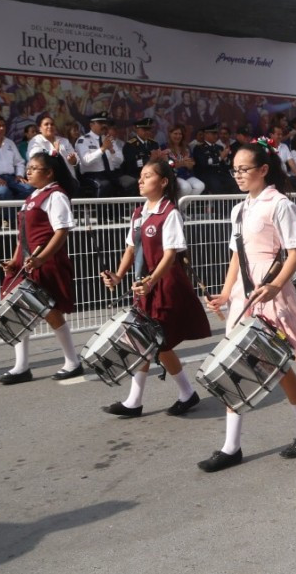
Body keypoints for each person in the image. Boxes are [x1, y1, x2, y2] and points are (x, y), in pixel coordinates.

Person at [199, 141, 296, 472]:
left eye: (244, 169)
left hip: (272, 297)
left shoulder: (279, 205)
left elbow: (295, 251)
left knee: (278, 368)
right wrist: (225, 295)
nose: (238, 175)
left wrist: (275, 286)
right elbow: (237, 255)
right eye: (235, 170)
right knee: (235, 366)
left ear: (263, 170)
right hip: (244, 298)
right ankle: (231, 445)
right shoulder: (238, 209)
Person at [99, 160, 211, 417]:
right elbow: (131, 249)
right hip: (144, 285)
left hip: (164, 284)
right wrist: (117, 276)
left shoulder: (170, 212)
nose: (140, 180)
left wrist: (151, 280)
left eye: (147, 176)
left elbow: (170, 254)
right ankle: (164, 396)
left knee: (152, 340)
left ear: (163, 182)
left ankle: (141, 400)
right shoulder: (138, 213)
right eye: (140, 176)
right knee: (150, 340)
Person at [0, 152, 84, 384]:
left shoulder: (56, 196)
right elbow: (22, 237)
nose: (29, 172)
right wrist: (14, 261)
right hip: (27, 263)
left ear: (49, 172)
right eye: (28, 167)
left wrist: (42, 259)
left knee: (50, 312)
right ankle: (21, 366)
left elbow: (61, 231)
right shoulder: (33, 196)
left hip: (46, 262)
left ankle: (72, 362)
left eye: (34, 168)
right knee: (18, 310)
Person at [75, 114, 126, 197]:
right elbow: (86, 161)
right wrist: (102, 149)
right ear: (91, 125)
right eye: (100, 123)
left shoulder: (108, 139)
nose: (104, 125)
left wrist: (112, 151)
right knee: (105, 185)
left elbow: (119, 162)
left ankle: (116, 210)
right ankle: (100, 210)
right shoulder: (83, 140)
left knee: (124, 185)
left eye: (105, 123)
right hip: (92, 175)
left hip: (110, 173)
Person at [26, 114, 80, 182]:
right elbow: (34, 155)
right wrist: (53, 152)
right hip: (48, 181)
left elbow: (76, 159)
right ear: (40, 128)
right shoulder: (36, 141)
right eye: (46, 124)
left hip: (69, 179)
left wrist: (73, 160)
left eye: (52, 124)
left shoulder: (64, 141)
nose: (50, 126)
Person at [119, 117, 164, 194]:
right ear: (137, 129)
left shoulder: (154, 144)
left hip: (152, 173)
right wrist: (150, 159)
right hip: (135, 174)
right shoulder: (130, 145)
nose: (147, 132)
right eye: (144, 130)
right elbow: (131, 164)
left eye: (149, 130)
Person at [194, 123, 237, 194]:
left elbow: (228, 164)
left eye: (216, 134)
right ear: (206, 134)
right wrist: (220, 157)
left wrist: (225, 158)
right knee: (217, 185)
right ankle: (218, 205)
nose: (216, 136)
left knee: (234, 182)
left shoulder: (219, 147)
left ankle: (232, 205)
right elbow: (205, 162)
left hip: (221, 174)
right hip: (208, 175)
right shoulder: (199, 148)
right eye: (213, 134)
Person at [165, 124, 205, 196]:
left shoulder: (186, 147)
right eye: (175, 134)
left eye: (180, 134)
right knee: (186, 188)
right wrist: (181, 163)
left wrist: (190, 164)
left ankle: (182, 206)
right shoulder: (164, 147)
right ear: (170, 134)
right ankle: (177, 205)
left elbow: (191, 164)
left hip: (186, 175)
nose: (178, 136)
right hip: (173, 176)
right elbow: (169, 164)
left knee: (200, 186)